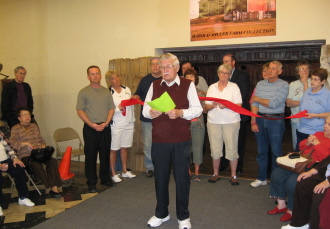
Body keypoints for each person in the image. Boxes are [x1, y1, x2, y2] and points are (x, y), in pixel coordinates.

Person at [143, 53, 202, 229]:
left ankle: (183, 216)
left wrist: (180, 113)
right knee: (160, 177)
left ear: (177, 68)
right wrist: (150, 112)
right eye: (162, 67)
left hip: (181, 140)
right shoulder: (154, 85)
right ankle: (161, 213)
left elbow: (197, 110)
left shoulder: (188, 84)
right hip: (159, 140)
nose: (165, 70)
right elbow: (145, 108)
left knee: (182, 179)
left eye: (168, 67)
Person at [268, 114, 330, 222]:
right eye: (325, 123)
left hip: (312, 168)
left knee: (293, 182)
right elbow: (301, 147)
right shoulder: (319, 134)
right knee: (277, 173)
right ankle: (281, 205)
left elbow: (325, 160)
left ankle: (291, 210)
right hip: (300, 163)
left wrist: (317, 144)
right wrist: (307, 142)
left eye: (329, 124)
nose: (326, 126)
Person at [76, 65, 116, 193]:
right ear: (88, 77)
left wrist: (106, 122)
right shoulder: (83, 92)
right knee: (91, 156)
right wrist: (91, 124)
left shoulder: (106, 91)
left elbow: (111, 108)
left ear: (100, 75)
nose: (95, 76)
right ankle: (91, 183)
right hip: (90, 129)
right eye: (92, 74)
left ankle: (105, 179)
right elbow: (80, 110)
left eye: (97, 73)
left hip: (105, 127)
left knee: (105, 155)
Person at [250, 60, 289, 187]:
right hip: (260, 119)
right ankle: (261, 178)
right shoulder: (260, 84)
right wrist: (254, 121)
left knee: (276, 152)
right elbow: (254, 103)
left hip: (276, 121)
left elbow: (273, 104)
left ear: (280, 71)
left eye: (273, 68)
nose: (270, 70)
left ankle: (275, 180)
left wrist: (257, 98)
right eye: (269, 68)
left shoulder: (283, 85)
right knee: (261, 151)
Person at [9, 107, 62, 198]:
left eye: (28, 114)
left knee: (52, 161)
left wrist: (43, 146)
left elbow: (41, 140)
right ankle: (50, 186)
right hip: (26, 155)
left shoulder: (34, 126)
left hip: (38, 153)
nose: (27, 116)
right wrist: (24, 144)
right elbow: (11, 143)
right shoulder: (15, 129)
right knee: (36, 165)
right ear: (19, 118)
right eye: (24, 115)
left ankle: (54, 187)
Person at [205, 64, 242, 185]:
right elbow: (207, 106)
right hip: (213, 122)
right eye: (222, 72)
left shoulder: (234, 87)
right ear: (218, 73)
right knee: (215, 149)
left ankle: (233, 175)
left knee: (232, 149)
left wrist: (227, 105)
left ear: (230, 75)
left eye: (226, 73)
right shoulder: (212, 87)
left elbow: (239, 106)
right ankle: (215, 174)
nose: (224, 75)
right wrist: (213, 105)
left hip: (231, 122)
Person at [219, 54, 250, 174]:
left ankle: (238, 166)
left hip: (238, 115)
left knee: (238, 142)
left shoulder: (242, 75)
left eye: (227, 61)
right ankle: (223, 164)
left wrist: (226, 103)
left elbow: (243, 94)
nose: (225, 63)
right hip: (221, 116)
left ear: (233, 62)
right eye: (223, 61)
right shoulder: (219, 76)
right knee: (223, 142)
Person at [281, 155, 330, 229]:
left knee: (319, 192)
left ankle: (315, 226)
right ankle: (299, 224)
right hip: (325, 176)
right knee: (304, 184)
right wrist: (311, 171)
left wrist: (328, 182)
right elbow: (327, 160)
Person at [132, 57, 161, 178]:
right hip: (147, 119)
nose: (155, 66)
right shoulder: (145, 80)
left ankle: (161, 167)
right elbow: (138, 94)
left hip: (162, 119)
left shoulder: (166, 78)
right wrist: (136, 97)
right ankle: (150, 168)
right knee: (148, 145)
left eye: (157, 64)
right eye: (152, 64)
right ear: (150, 66)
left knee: (161, 144)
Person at [105, 71, 136, 183]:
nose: (116, 79)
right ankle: (113, 172)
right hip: (116, 124)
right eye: (113, 78)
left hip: (128, 123)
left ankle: (124, 170)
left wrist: (133, 100)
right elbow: (108, 110)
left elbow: (131, 106)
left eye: (117, 77)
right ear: (109, 81)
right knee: (113, 150)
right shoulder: (108, 93)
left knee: (124, 147)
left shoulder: (126, 89)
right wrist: (118, 108)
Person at [0, 131, 35, 216]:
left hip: (6, 160)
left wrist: (14, 158)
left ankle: (23, 197)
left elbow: (8, 147)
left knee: (19, 168)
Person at [295, 68, 330, 151]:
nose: (312, 81)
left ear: (323, 81)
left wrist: (316, 115)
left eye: (316, 79)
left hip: (317, 132)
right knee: (299, 156)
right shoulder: (307, 91)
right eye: (312, 79)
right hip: (301, 129)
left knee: (313, 158)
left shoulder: (327, 94)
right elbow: (301, 107)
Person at [183, 68, 206, 182]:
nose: (189, 79)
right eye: (187, 77)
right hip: (184, 125)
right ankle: (188, 171)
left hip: (198, 124)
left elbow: (204, 109)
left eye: (191, 76)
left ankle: (197, 172)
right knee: (186, 149)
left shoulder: (201, 93)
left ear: (195, 79)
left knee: (197, 148)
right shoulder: (180, 93)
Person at [286, 61, 311, 150]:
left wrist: (305, 83)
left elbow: (309, 101)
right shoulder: (293, 84)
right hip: (295, 120)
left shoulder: (314, 82)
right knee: (297, 146)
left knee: (310, 148)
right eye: (301, 69)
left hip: (310, 122)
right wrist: (303, 102)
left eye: (306, 69)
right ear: (297, 72)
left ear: (309, 70)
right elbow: (288, 103)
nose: (304, 71)